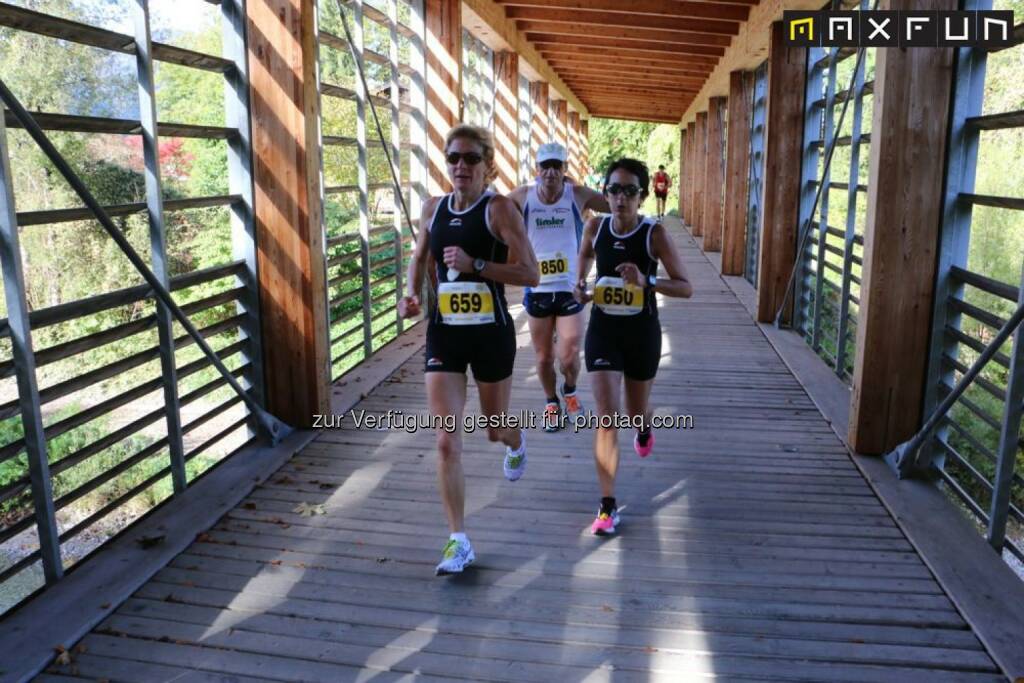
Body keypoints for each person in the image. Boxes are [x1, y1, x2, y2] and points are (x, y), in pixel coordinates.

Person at [399, 124, 539, 575]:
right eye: (453, 158)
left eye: (471, 158)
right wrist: (411, 293)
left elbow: (531, 273)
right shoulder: (432, 208)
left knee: (494, 429)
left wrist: (477, 264)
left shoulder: (499, 210)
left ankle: (514, 440)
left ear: (487, 164)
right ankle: (458, 541)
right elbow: (419, 258)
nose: (461, 166)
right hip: (446, 333)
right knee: (446, 441)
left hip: (491, 333)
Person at [573, 158, 693, 536]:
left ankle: (643, 425)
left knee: (634, 411)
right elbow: (584, 259)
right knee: (606, 415)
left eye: (629, 191)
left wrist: (647, 281)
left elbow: (686, 287)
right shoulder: (594, 227)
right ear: (605, 193)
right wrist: (581, 285)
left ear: (642, 196)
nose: (620, 198)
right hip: (604, 330)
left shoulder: (654, 234)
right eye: (614, 190)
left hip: (641, 333)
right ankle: (607, 506)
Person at [508, 143, 609, 432]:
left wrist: (630, 203)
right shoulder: (522, 196)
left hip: (569, 288)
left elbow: (614, 204)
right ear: (537, 169)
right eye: (545, 166)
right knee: (543, 357)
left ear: (564, 169)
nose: (550, 172)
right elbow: (492, 212)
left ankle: (571, 390)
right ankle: (551, 403)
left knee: (569, 353)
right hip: (537, 289)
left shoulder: (576, 194)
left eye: (556, 166)